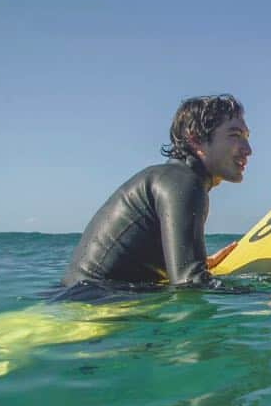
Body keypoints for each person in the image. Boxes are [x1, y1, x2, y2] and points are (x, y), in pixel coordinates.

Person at [62, 94, 251, 289]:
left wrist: (199, 264)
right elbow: (189, 283)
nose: (248, 149)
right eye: (235, 135)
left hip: (77, 301)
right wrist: (267, 297)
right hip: (96, 308)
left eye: (247, 137)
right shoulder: (184, 183)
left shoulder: (170, 178)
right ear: (195, 138)